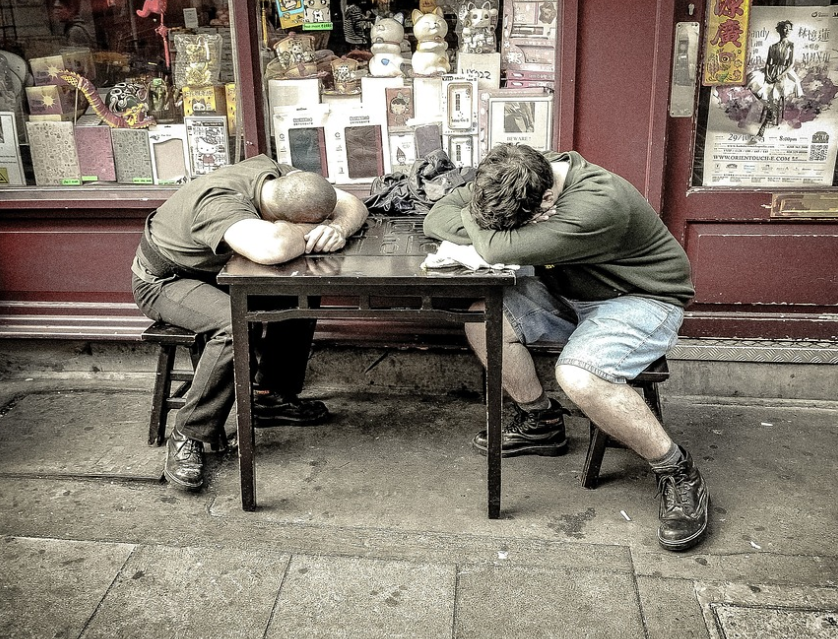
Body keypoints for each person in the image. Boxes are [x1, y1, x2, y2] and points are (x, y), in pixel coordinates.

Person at [422, 143, 709, 552]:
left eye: (532, 219)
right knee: (484, 317)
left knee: (580, 376)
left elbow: (496, 248)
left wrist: (477, 222)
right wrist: (488, 218)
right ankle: (541, 422)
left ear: (549, 198)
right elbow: (437, 216)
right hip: (570, 293)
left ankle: (677, 469)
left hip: (640, 298)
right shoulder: (515, 175)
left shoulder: (598, 203)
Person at [132, 154, 368, 492]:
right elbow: (274, 247)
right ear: (275, 217)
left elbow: (350, 203)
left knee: (302, 284)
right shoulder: (219, 206)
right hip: (164, 280)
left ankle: (270, 396)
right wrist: (310, 230)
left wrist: (336, 227)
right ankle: (188, 433)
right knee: (232, 324)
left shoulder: (276, 177)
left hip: (214, 271)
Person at [747, 20, 802, 139]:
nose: (787, 30)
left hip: (785, 74)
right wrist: (767, 74)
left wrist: (780, 75)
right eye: (785, 28)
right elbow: (768, 63)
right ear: (780, 30)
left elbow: (791, 64)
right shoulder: (773, 46)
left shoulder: (791, 45)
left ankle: (763, 128)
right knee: (752, 81)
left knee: (774, 97)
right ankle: (769, 110)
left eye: (789, 28)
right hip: (770, 72)